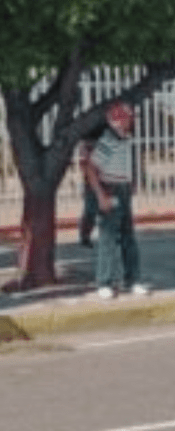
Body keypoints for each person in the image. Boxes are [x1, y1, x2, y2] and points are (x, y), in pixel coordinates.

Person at [84, 102, 148, 299]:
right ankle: (104, 282)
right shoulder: (108, 140)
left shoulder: (124, 140)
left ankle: (132, 279)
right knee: (108, 239)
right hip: (111, 189)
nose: (133, 122)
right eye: (130, 118)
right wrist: (102, 195)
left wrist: (131, 181)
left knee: (128, 237)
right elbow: (91, 168)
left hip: (123, 190)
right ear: (121, 120)